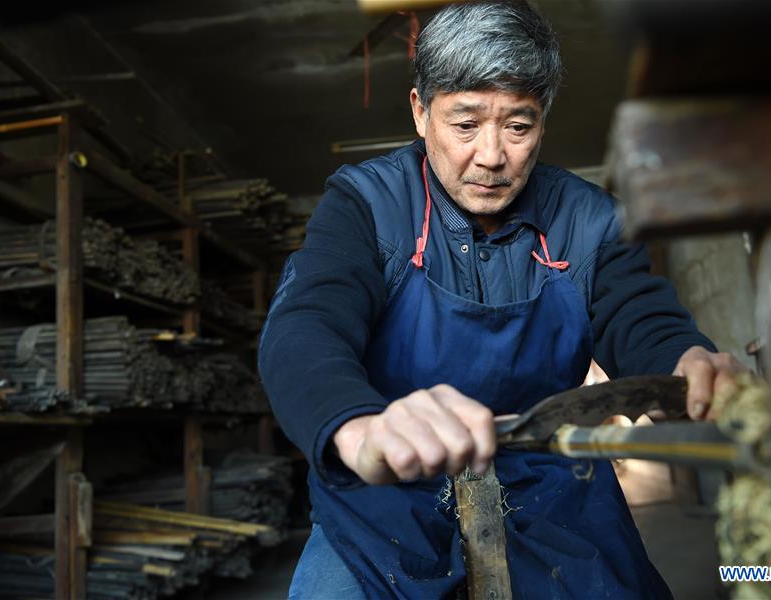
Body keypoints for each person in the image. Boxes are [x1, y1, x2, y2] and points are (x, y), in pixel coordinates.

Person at [259, 1, 745, 598]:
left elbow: (639, 314)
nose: (491, 157)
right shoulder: (367, 204)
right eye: (465, 125)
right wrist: (359, 428)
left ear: (543, 119)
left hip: (550, 483)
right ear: (420, 112)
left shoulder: (589, 219)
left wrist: (685, 361)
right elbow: (306, 327)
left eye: (518, 126)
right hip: (386, 493)